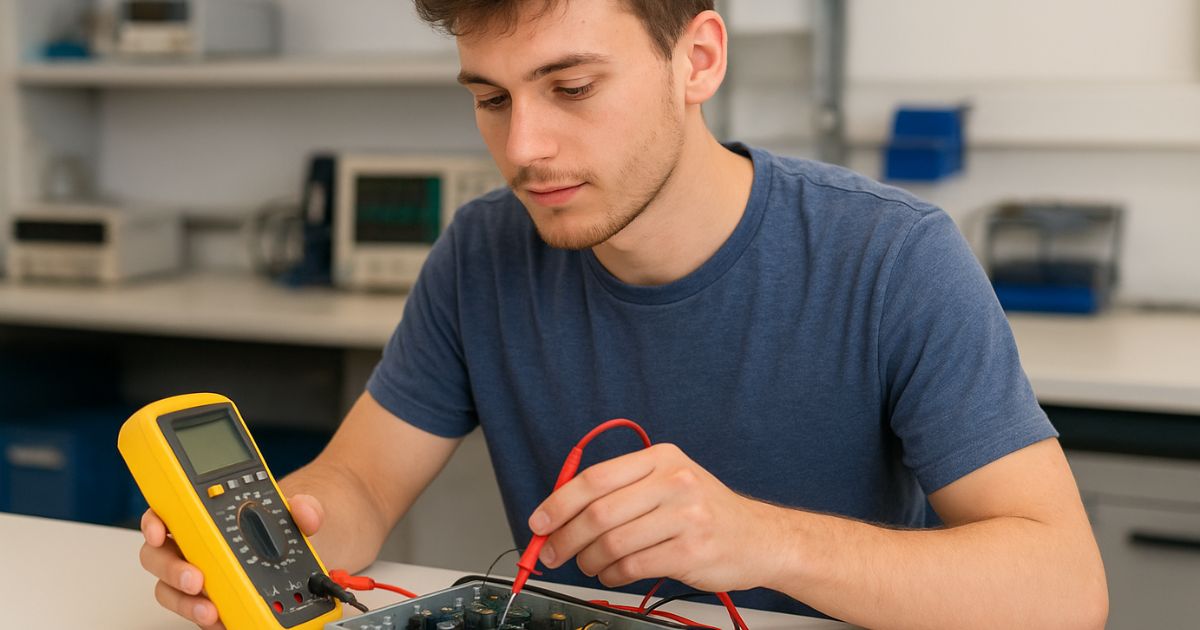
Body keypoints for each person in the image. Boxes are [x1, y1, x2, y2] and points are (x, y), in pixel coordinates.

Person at [138, 1, 1109, 627]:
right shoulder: (484, 251)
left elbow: (1064, 590)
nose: (524, 147)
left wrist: (765, 539)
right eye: (490, 98)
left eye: (571, 87)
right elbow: (358, 483)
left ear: (699, 58)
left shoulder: (892, 255)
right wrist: (260, 545)